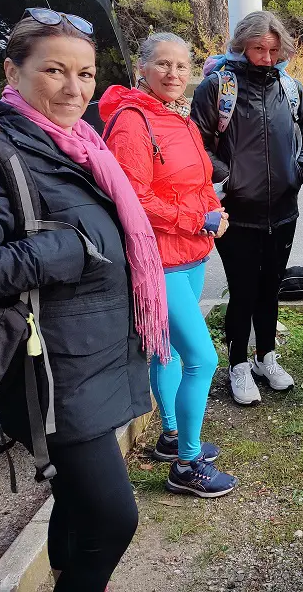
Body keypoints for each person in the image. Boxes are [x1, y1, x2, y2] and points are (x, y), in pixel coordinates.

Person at [0, 10, 158, 590]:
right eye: (54, 70)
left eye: (85, 73)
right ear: (13, 71)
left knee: (78, 509)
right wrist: (61, 253)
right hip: (53, 376)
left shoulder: (80, 147)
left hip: (90, 359)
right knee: (113, 520)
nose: (74, 88)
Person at [100, 32, 238, 498]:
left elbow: (199, 179)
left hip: (191, 251)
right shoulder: (132, 123)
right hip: (159, 259)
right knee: (203, 357)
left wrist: (213, 218)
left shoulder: (177, 117)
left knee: (173, 351)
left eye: (182, 66)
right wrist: (193, 218)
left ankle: (173, 434)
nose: (174, 74)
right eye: (163, 64)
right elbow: (133, 198)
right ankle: (186, 465)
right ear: (141, 68)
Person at [191, 11, 303, 406]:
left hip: (282, 211)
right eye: (259, 48)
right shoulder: (217, 88)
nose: (266, 56)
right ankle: (238, 363)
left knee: (270, 288)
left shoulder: (290, 87)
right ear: (242, 44)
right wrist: (232, 178)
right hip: (237, 213)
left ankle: (265, 357)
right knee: (243, 290)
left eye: (274, 49)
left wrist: (299, 169)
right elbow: (201, 146)